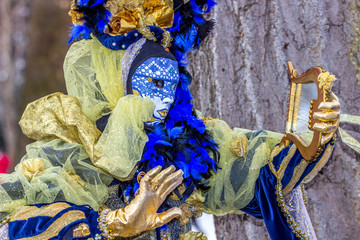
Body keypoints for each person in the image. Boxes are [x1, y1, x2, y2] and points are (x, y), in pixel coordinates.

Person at [0, 1, 341, 239]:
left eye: (171, 82)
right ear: (119, 83)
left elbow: (264, 180)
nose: (163, 99)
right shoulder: (74, 153)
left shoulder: (183, 148)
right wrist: (114, 223)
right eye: (153, 82)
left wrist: (310, 137)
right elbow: (10, 225)